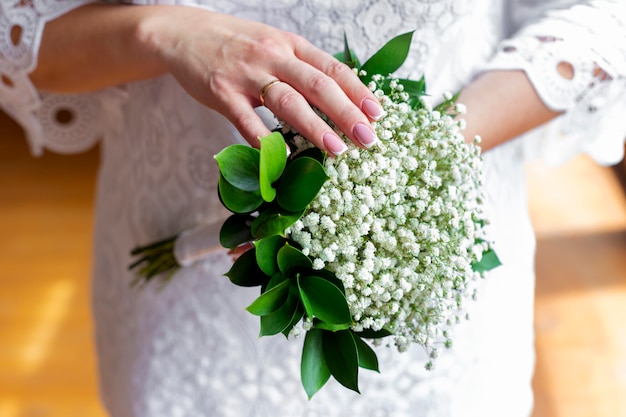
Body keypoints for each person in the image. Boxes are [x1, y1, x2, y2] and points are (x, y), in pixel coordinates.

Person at [1, 1, 625, 416]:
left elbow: (599, 19)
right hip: (181, 306)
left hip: (423, 273)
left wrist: (406, 164)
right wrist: (164, 32)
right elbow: (20, 31)